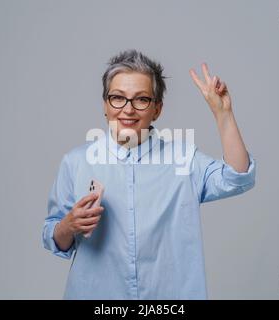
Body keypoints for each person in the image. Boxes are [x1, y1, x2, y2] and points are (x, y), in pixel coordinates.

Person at [42, 49, 256, 299]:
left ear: (157, 109)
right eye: (117, 98)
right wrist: (67, 226)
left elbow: (238, 177)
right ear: (105, 104)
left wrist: (224, 114)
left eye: (141, 99)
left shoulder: (185, 160)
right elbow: (53, 238)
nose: (128, 109)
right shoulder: (76, 162)